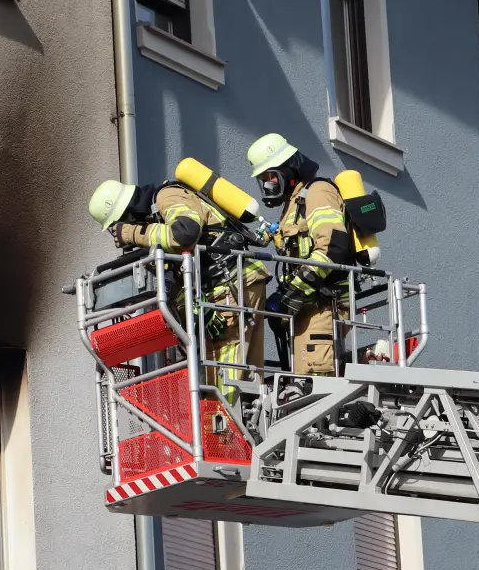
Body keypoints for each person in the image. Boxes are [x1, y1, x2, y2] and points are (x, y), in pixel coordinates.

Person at [88, 178, 268, 402]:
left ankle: (225, 421)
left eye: (120, 225)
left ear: (126, 214)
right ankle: (246, 413)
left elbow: (184, 233)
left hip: (230, 284)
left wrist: (131, 233)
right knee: (242, 372)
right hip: (231, 285)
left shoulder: (167, 196)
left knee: (224, 367)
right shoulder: (157, 216)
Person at [245, 134, 352, 377]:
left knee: (314, 382)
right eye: (264, 180)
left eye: (271, 177)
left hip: (324, 305)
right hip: (307, 307)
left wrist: (295, 292)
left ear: (288, 170)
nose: (268, 185)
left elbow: (333, 247)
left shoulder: (318, 192)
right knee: (299, 382)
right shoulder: (292, 205)